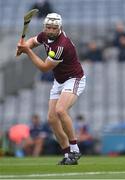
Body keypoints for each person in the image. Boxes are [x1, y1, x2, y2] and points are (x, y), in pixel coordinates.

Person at [16, 13, 86, 165]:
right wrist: (24, 46)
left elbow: (44, 67)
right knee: (52, 119)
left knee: (61, 110)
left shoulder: (61, 45)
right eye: (48, 27)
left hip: (74, 79)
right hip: (59, 80)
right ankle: (68, 154)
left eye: (54, 28)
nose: (50, 30)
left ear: (59, 28)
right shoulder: (45, 35)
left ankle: (75, 149)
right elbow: (33, 41)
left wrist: (27, 51)